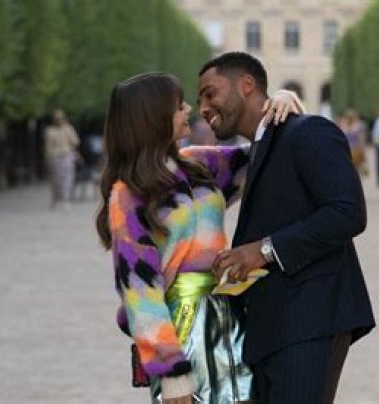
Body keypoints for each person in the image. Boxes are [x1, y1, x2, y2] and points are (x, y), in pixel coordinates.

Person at [95, 72, 303, 404]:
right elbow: (139, 290)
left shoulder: (198, 165)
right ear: (154, 117)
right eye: (179, 106)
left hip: (228, 313)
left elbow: (264, 155)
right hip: (180, 327)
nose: (189, 109)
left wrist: (279, 103)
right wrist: (170, 370)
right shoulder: (129, 195)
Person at [198, 52, 375, 404]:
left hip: (309, 319)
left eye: (209, 93)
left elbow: (348, 212)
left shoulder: (308, 131)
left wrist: (262, 250)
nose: (202, 107)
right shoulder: (257, 149)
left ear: (246, 85)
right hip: (273, 329)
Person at [45, 109, 80, 209]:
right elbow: (48, 146)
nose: (59, 121)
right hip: (55, 156)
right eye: (57, 119)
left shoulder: (68, 129)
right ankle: (57, 199)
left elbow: (76, 141)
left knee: (67, 178)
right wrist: (48, 158)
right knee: (56, 179)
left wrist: (67, 131)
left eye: (60, 118)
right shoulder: (50, 131)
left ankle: (65, 199)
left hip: (66, 155)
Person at [339, 109, 369, 177]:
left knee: (351, 171)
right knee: (354, 171)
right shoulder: (358, 126)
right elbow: (362, 140)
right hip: (352, 151)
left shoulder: (344, 126)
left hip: (349, 151)